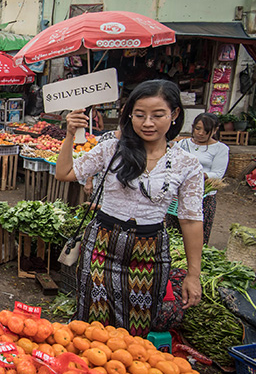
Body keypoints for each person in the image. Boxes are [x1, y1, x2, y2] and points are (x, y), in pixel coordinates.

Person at [55, 79, 203, 337]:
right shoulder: (112, 149)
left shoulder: (186, 164)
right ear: (129, 115)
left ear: (175, 114)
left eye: (158, 115)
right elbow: (65, 172)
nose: (148, 123)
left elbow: (191, 220)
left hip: (150, 251)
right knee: (93, 320)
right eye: (139, 115)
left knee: (137, 325)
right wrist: (70, 135)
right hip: (102, 243)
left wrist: (194, 274)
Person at [168, 112, 229, 244]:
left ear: (215, 130)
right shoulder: (182, 144)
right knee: (173, 232)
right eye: (197, 129)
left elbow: (218, 174)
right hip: (178, 195)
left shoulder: (220, 149)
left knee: (197, 235)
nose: (201, 133)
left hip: (204, 196)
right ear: (192, 127)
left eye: (206, 130)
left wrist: (195, 175)